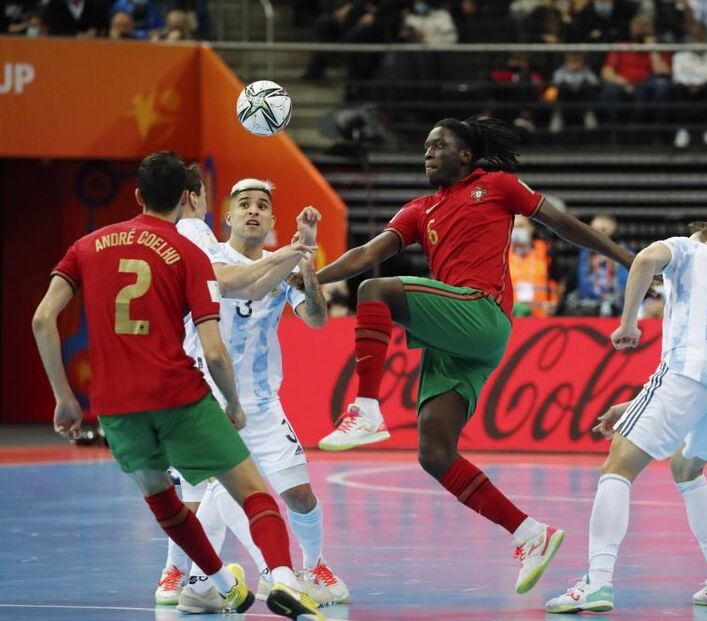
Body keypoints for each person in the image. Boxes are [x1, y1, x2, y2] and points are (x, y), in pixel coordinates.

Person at [311, 115, 635, 593]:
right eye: (424, 147)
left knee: (376, 292)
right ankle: (530, 534)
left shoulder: (498, 186)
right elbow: (364, 253)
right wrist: (308, 278)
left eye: (437, 145)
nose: (428, 153)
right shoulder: (420, 209)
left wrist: (629, 259)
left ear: (465, 154)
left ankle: (366, 409)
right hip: (456, 339)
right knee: (435, 454)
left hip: (481, 315)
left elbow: (563, 224)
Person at [31, 151, 324, 620]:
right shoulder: (189, 249)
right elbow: (213, 347)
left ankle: (218, 584)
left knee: (167, 501)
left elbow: (43, 318)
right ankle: (283, 578)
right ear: (193, 200)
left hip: (113, 405)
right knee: (249, 492)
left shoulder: (88, 244)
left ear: (137, 195)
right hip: (180, 393)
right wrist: (231, 403)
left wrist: (66, 399)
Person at [545, 219, 707, 613]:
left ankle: (597, 581)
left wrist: (628, 324)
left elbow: (644, 259)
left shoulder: (694, 249)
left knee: (617, 466)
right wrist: (636, 403)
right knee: (687, 471)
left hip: (686, 374)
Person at [156, 166, 344, 610]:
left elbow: (316, 319)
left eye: (262, 206)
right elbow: (227, 279)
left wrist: (307, 265)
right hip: (206, 397)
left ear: (272, 221)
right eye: (244, 205)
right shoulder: (208, 254)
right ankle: (183, 572)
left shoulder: (284, 262)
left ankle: (312, 566)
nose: (254, 212)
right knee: (202, 495)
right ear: (227, 218)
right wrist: (287, 258)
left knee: (299, 491)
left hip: (261, 404)